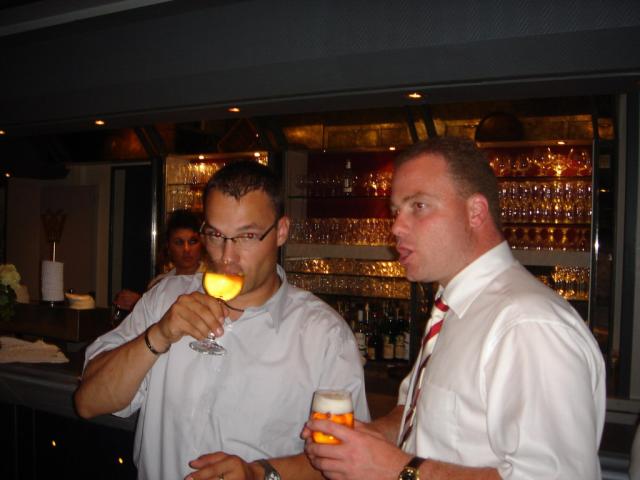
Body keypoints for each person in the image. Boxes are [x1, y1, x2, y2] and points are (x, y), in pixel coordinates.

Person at [304, 137, 606, 479]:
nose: (396, 227)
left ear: (475, 212)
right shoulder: (454, 307)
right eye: (396, 211)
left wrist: (393, 469)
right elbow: (420, 415)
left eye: (419, 206)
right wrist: (369, 438)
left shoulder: (527, 325)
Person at [74, 160, 369, 480]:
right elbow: (88, 402)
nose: (227, 256)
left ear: (281, 231)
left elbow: (347, 464)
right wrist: (159, 335)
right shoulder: (165, 298)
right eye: (215, 235)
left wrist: (260, 475)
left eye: (247, 236)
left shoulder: (323, 335)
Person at [113, 209, 205, 311]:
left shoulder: (211, 281)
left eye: (193, 241)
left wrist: (140, 303)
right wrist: (141, 305)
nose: (186, 249)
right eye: (179, 242)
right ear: (168, 247)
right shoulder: (158, 284)